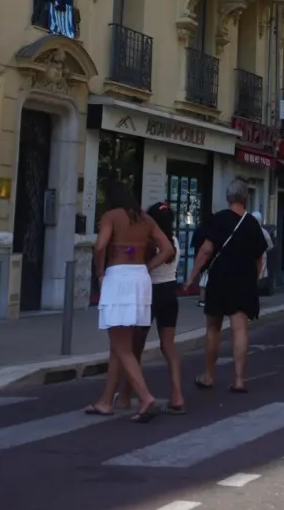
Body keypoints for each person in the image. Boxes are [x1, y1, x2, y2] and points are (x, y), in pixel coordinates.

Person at [87, 181, 174, 422]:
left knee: (121, 346)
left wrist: (99, 273)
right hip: (140, 278)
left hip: (119, 278)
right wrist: (147, 266)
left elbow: (101, 245)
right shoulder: (146, 220)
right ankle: (106, 401)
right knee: (120, 343)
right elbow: (167, 249)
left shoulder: (111, 216)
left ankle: (145, 397)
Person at [185, 179, 269, 394]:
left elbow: (205, 251)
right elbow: (259, 257)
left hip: (220, 279)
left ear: (228, 197)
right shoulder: (251, 224)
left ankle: (209, 375)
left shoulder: (218, 219)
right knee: (239, 328)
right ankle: (239, 380)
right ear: (245, 198)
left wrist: (192, 276)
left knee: (213, 327)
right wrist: (255, 279)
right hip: (243, 281)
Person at [116, 202, 185, 414]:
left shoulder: (149, 243)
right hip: (170, 294)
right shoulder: (173, 242)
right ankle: (177, 395)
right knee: (168, 346)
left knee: (136, 347)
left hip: (149, 294)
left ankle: (128, 395)